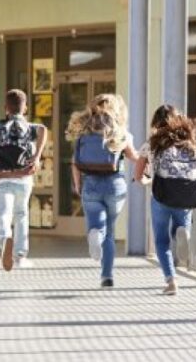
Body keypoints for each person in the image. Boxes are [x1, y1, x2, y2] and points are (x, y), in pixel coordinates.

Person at [67, 94, 140, 287]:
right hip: (115, 186)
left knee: (97, 226)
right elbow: (134, 157)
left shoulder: (84, 131)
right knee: (110, 231)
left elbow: (74, 162)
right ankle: (107, 276)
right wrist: (147, 159)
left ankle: (95, 235)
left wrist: (77, 184)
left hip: (90, 183)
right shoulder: (120, 131)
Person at [135, 104, 196, 296]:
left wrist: (146, 180)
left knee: (161, 241)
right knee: (183, 221)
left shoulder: (151, 144)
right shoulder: (190, 143)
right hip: (186, 191)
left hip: (162, 194)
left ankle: (171, 281)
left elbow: (139, 174)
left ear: (156, 123)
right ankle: (183, 232)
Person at [0, 89, 47, 271]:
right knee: (21, 215)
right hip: (23, 179)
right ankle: (20, 256)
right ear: (25, 108)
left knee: (4, 215)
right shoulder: (30, 127)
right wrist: (37, 156)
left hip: (1, 178)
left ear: (5, 108)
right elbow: (43, 130)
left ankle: (5, 241)